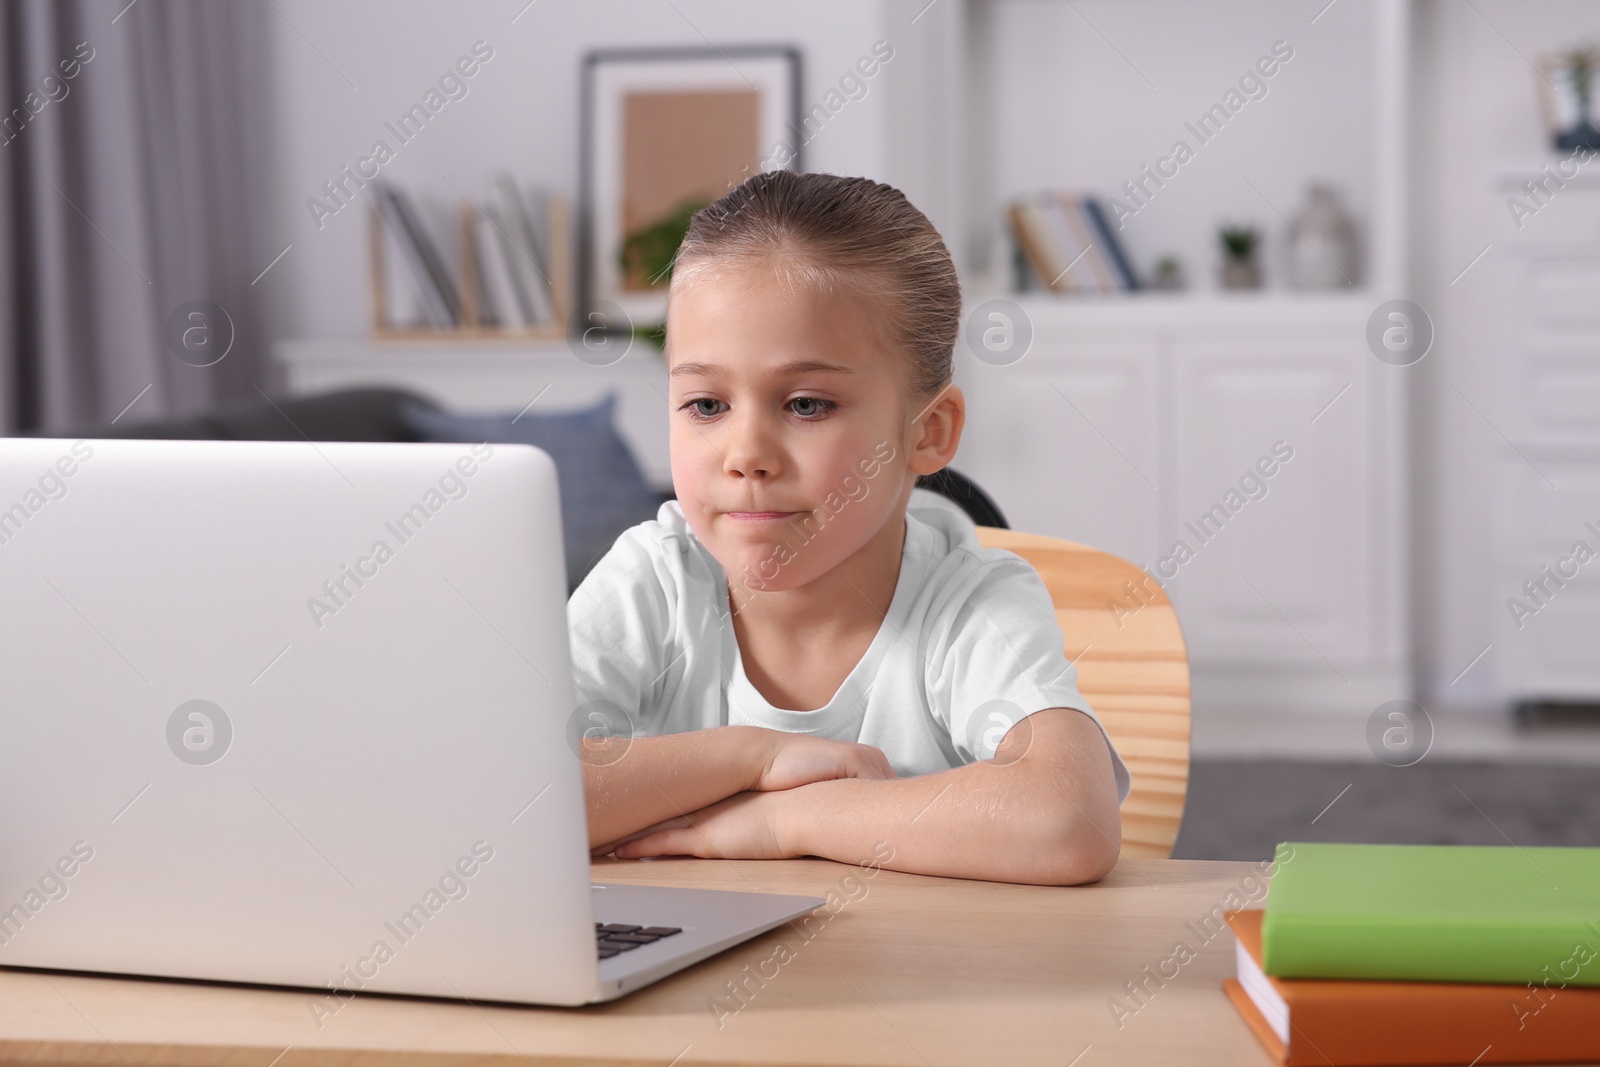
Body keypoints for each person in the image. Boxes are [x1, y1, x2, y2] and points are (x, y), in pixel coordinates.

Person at [568, 171, 1130, 885]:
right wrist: (757, 757)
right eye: (707, 404)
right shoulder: (654, 578)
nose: (745, 455)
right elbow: (502, 793)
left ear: (927, 432)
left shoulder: (968, 602)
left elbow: (1067, 820)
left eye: (805, 404)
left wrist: (782, 821)